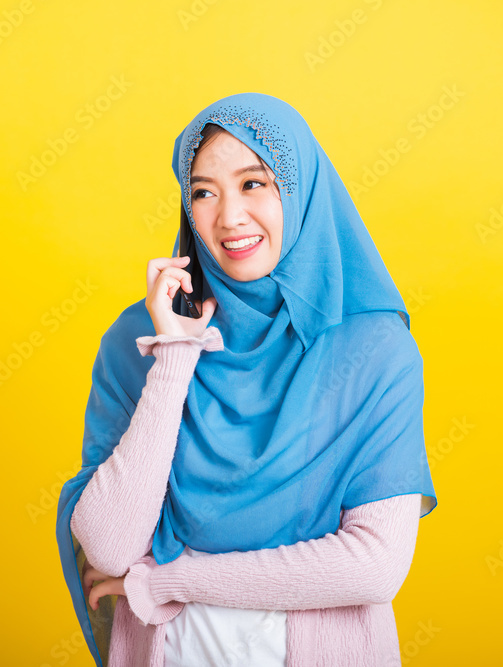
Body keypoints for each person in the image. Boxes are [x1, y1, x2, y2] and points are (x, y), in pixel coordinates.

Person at [55, 92, 438, 666]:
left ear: (300, 190)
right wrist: (175, 356)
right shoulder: (142, 338)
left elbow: (374, 565)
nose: (229, 216)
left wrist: (168, 581)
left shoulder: (374, 351)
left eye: (253, 183)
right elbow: (109, 547)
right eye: (203, 192)